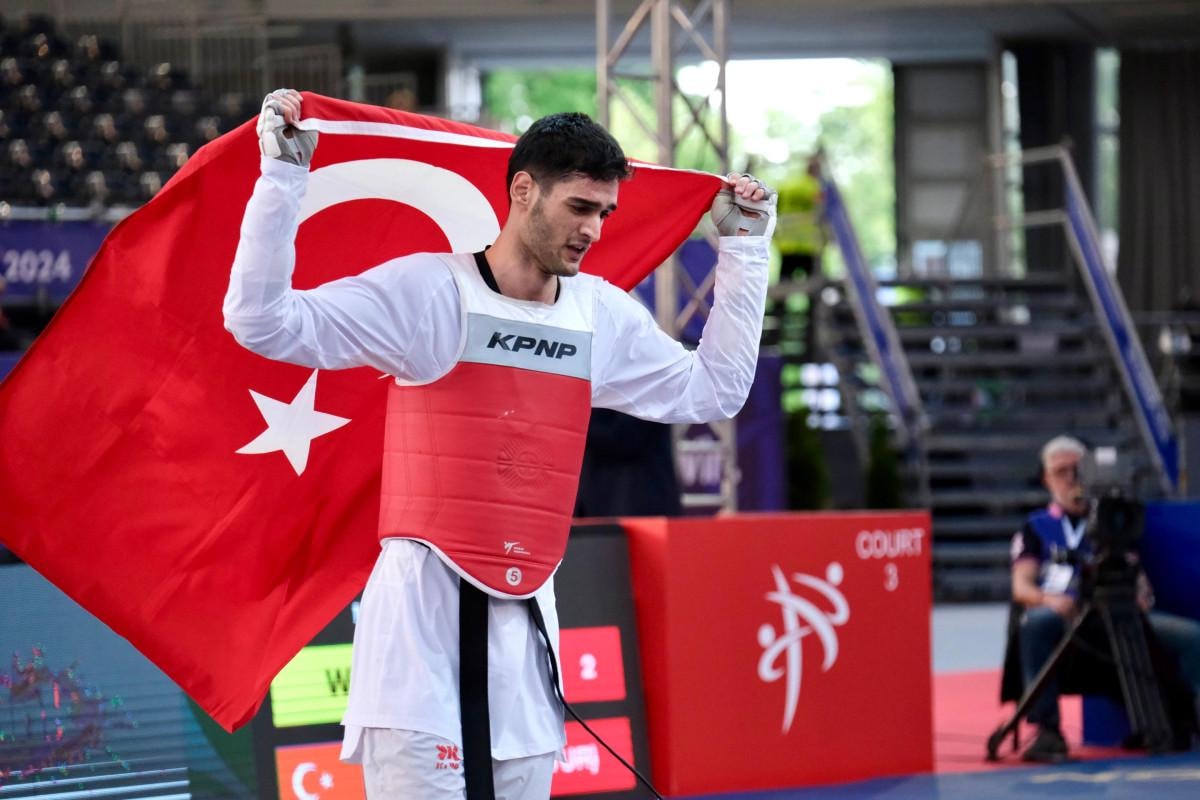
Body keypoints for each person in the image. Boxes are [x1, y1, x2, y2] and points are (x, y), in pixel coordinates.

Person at [223, 89, 774, 799]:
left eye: (605, 213)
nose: (593, 230)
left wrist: (745, 249)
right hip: (418, 654)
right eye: (579, 207)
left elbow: (714, 392)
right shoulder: (431, 292)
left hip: (526, 658)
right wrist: (282, 178)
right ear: (522, 190)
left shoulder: (600, 314)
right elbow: (261, 321)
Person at [1009, 435, 1200, 762]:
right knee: (1035, 623)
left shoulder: (1117, 518)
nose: (1071, 479)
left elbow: (1136, 571)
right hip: (1065, 616)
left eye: (1077, 470)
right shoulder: (1036, 527)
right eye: (1061, 472)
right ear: (1046, 480)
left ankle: (1187, 719)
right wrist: (1048, 600)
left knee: (1192, 636)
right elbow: (1021, 588)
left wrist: (1141, 592)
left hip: (1120, 614)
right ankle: (1047, 732)